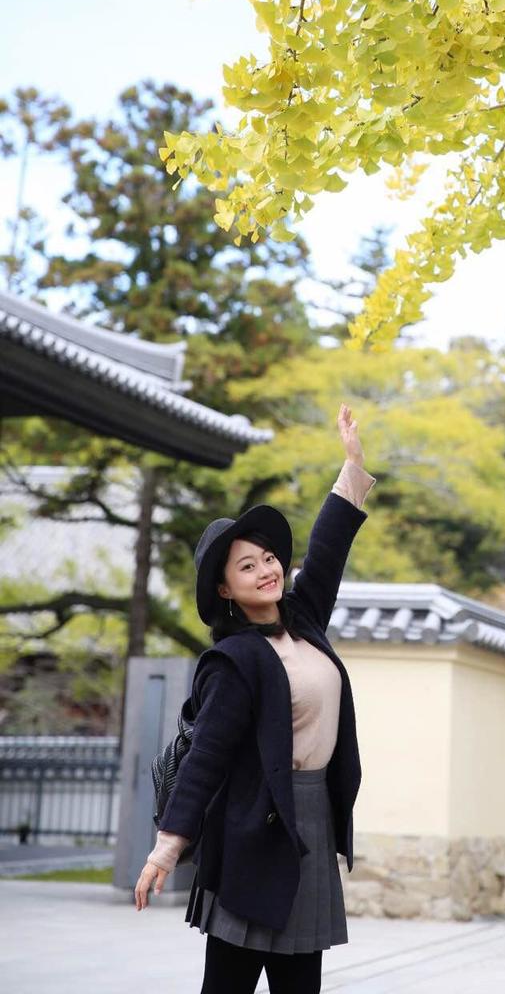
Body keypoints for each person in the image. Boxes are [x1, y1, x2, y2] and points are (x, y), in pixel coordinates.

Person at [134, 403, 375, 994]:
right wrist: (166, 849)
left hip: (310, 819)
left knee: (301, 984)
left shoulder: (304, 619)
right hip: (252, 829)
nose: (267, 570)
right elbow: (206, 758)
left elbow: (327, 551)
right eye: (248, 566)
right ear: (225, 588)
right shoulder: (233, 660)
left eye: (269, 558)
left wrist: (352, 467)